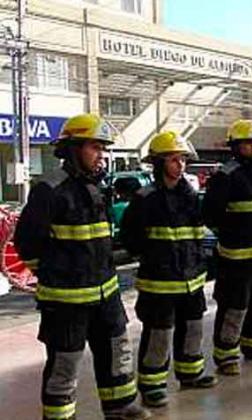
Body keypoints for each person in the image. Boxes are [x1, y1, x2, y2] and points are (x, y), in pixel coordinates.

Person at [14, 114, 151, 420]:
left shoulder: (95, 188)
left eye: (102, 147)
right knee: (65, 362)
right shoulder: (49, 190)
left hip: (107, 295)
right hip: (67, 302)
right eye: (94, 147)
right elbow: (26, 243)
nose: (100, 154)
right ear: (73, 149)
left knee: (117, 352)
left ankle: (120, 406)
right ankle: (59, 416)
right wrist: (52, 275)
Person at [120, 132, 217, 408]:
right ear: (159, 164)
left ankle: (191, 374)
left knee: (193, 328)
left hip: (191, 279)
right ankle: (152, 385)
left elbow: (198, 233)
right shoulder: (145, 198)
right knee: (159, 334)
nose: (180, 165)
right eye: (174, 160)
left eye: (183, 160)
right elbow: (131, 238)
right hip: (159, 283)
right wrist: (156, 257)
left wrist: (200, 263)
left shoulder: (190, 195)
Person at [203, 120, 252, 376]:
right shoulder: (226, 176)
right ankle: (226, 355)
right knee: (234, 305)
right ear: (236, 146)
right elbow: (211, 215)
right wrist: (234, 233)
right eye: (249, 143)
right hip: (237, 257)